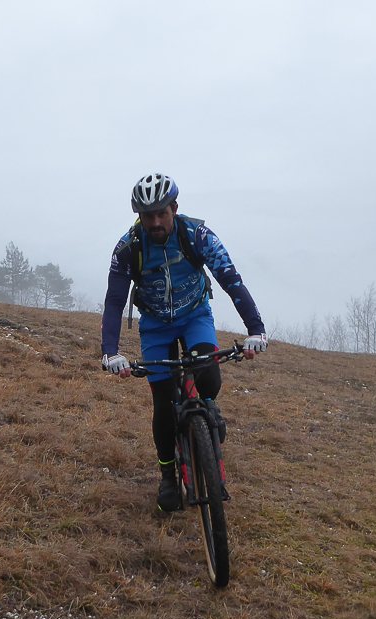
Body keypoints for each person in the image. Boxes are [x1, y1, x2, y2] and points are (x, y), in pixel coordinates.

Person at [101, 173, 267, 512]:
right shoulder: (128, 248)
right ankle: (167, 477)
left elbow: (231, 280)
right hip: (155, 326)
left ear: (174, 208)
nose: (156, 222)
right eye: (148, 216)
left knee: (208, 377)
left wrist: (255, 330)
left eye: (162, 213)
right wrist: (110, 352)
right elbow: (115, 301)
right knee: (163, 403)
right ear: (139, 216)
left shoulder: (198, 236)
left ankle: (208, 412)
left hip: (195, 316)